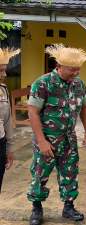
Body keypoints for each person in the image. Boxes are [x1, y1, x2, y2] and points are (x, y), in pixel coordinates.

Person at [27, 44, 86, 225]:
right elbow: (32, 112)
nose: (76, 73)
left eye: (78, 69)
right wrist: (41, 141)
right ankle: (37, 208)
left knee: (70, 173)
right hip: (47, 139)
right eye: (72, 70)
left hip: (69, 140)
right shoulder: (42, 83)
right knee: (40, 174)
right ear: (59, 66)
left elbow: (84, 108)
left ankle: (68, 207)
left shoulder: (79, 84)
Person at [0, 48, 19, 192]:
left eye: (4, 70)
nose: (4, 75)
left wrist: (9, 149)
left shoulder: (3, 90)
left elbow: (7, 121)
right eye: (0, 71)